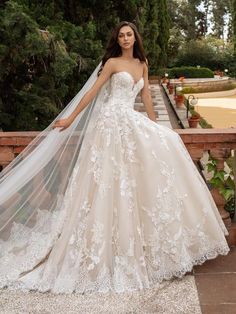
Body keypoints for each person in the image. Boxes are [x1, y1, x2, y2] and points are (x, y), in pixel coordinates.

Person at [0, 21, 229, 294]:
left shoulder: (143, 63)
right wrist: (71, 118)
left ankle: (143, 245)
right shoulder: (111, 63)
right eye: (121, 35)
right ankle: (104, 248)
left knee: (150, 164)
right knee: (109, 183)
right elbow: (91, 93)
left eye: (129, 34)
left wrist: (156, 126)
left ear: (135, 37)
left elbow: (144, 96)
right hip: (109, 126)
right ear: (117, 40)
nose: (125, 39)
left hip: (130, 123)